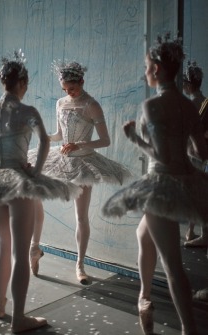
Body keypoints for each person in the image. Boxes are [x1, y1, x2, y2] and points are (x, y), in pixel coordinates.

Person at [0, 51, 80, 333]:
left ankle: (1, 304)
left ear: (3, 82)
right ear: (22, 82)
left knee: (3, 244)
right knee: (20, 250)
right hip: (18, 182)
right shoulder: (28, 112)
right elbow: (45, 142)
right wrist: (35, 171)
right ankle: (18, 319)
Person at [102, 33, 208, 335]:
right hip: (186, 178)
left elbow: (158, 154)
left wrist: (135, 139)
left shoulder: (151, 106)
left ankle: (189, 329)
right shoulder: (190, 107)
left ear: (158, 69)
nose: (145, 72)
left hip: (162, 183)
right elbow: (201, 152)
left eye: (147, 67)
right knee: (143, 234)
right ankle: (144, 298)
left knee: (173, 265)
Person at [28, 60, 132, 284]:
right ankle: (34, 248)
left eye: (72, 88)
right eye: (65, 89)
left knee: (80, 216)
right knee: (34, 193)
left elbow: (105, 140)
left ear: (82, 82)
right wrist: (44, 136)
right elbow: (58, 135)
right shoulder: (60, 103)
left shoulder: (91, 104)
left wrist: (79, 144)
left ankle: (80, 265)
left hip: (83, 163)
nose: (69, 92)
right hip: (61, 158)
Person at [182, 61, 208, 247]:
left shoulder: (191, 103)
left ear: (189, 84)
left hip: (193, 155)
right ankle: (191, 231)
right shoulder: (204, 101)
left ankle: (196, 233)